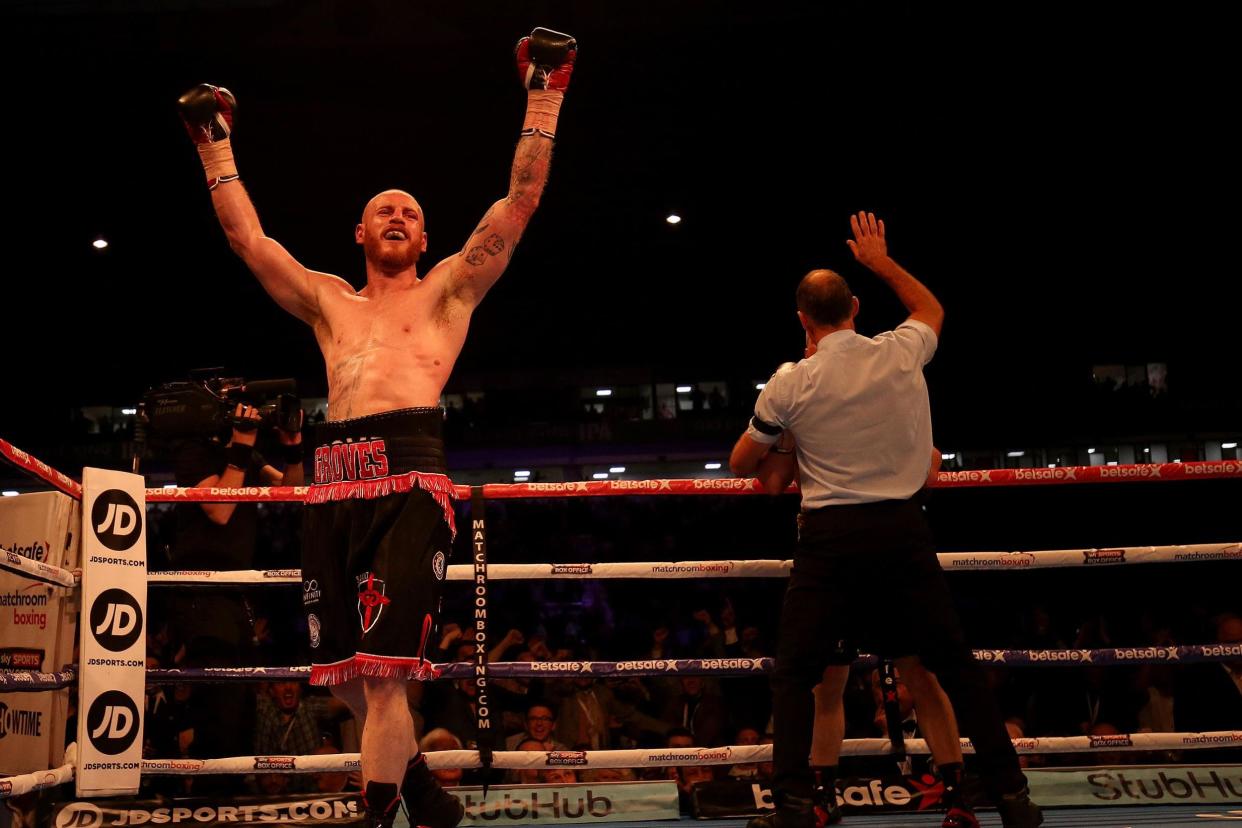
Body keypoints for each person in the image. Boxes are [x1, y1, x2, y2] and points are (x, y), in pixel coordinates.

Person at [178, 27, 577, 828]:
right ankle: (420, 790)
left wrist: (546, 93)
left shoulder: (449, 294)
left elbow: (520, 203)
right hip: (331, 488)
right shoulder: (328, 300)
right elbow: (247, 241)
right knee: (352, 674)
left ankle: (376, 817)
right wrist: (213, 147)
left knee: (388, 676)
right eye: (381, 210)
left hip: (408, 477)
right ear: (360, 235)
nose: (396, 215)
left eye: (410, 211)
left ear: (427, 239)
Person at [730, 213, 1040, 828]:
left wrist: (791, 430)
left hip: (829, 539)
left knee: (796, 674)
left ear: (802, 320)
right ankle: (1011, 797)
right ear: (855, 306)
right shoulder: (902, 352)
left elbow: (746, 464)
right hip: (902, 530)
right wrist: (880, 259)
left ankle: (793, 804)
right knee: (953, 666)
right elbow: (930, 308)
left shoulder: (792, 380)